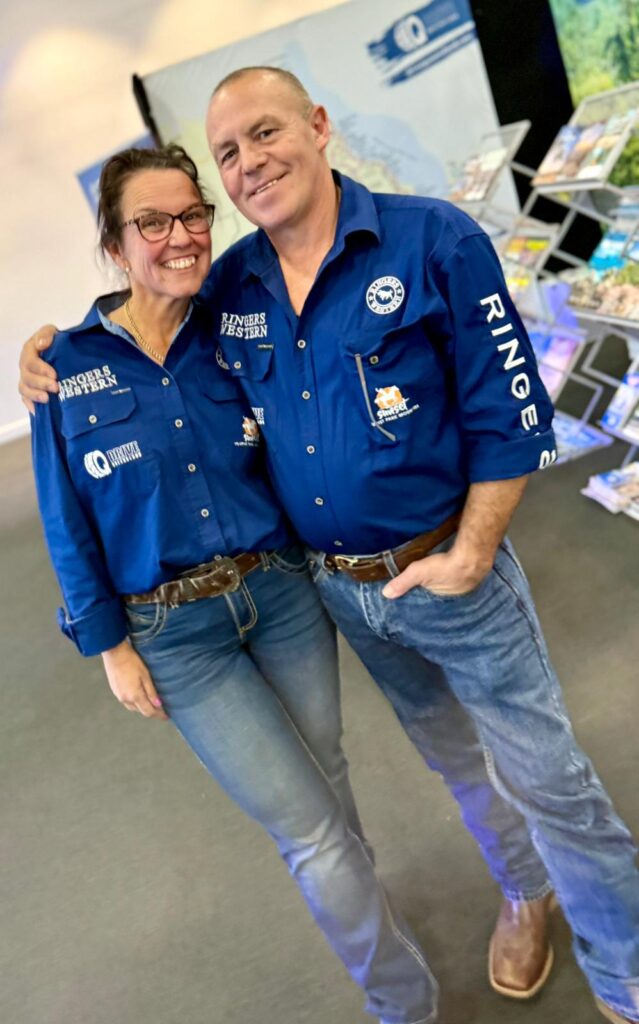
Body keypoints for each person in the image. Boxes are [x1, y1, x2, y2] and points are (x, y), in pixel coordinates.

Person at [19, 69, 639, 1023]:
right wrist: (47, 347)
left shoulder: (432, 238)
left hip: (452, 576)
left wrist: (473, 550)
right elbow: (133, 344)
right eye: (228, 154)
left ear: (316, 125)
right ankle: (526, 894)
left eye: (264, 134)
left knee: (549, 779)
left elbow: (508, 409)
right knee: (457, 765)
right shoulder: (233, 290)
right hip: (344, 595)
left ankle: (624, 968)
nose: (249, 163)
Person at [28, 142, 439, 1024]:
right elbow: (65, 522)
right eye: (152, 222)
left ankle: (373, 928)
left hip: (283, 594)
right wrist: (108, 647)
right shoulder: (62, 369)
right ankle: (405, 1005)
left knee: (327, 781)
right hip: (178, 635)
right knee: (309, 829)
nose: (179, 237)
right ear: (113, 243)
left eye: (192, 215)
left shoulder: (239, 325)